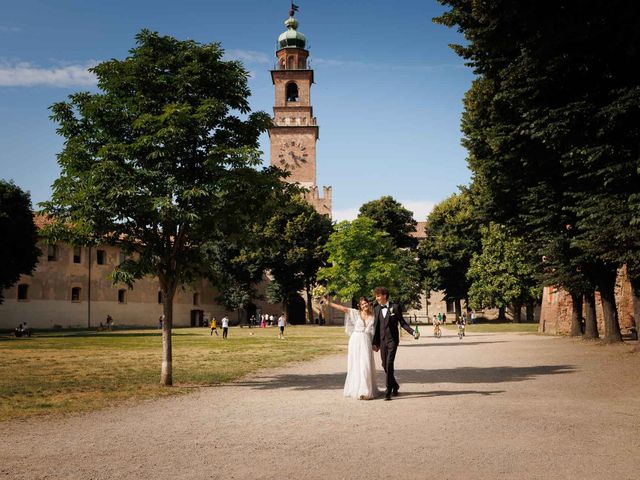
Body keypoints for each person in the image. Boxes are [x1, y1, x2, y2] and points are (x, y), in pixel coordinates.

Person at [325, 296, 378, 400]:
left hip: (366, 341)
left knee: (365, 364)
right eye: (362, 304)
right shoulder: (355, 313)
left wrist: (375, 343)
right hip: (356, 341)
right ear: (360, 306)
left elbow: (374, 331)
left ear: (368, 303)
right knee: (356, 364)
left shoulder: (374, 315)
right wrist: (329, 303)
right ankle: (357, 389)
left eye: (366, 303)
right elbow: (343, 308)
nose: (364, 305)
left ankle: (365, 390)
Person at [372, 286, 419, 401]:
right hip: (382, 341)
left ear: (384, 296)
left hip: (392, 340)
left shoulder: (395, 307)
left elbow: (402, 323)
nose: (377, 298)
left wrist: (413, 332)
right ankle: (395, 385)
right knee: (384, 365)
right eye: (376, 296)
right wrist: (375, 343)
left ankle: (388, 391)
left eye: (378, 296)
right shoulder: (377, 308)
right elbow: (376, 327)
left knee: (389, 364)